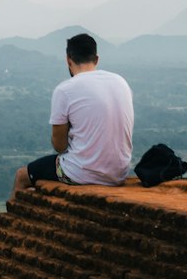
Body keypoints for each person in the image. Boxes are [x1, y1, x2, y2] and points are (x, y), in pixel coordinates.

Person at [14, 32, 133, 194]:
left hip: (82, 173)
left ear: (68, 60)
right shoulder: (120, 82)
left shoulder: (65, 90)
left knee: (22, 176)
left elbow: (60, 146)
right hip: (119, 173)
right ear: (96, 59)